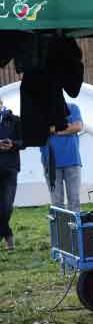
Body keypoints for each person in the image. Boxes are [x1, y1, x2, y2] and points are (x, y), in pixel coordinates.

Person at [40, 100, 83, 212]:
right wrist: (66, 127)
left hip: (72, 160)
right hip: (50, 162)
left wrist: (53, 129)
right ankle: (60, 224)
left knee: (74, 200)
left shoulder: (72, 107)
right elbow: (37, 131)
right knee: (57, 202)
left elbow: (78, 127)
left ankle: (74, 224)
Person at [0, 98, 22, 249]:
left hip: (10, 168)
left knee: (6, 206)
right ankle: (8, 235)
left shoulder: (15, 120)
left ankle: (6, 235)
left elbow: (24, 141)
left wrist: (13, 144)